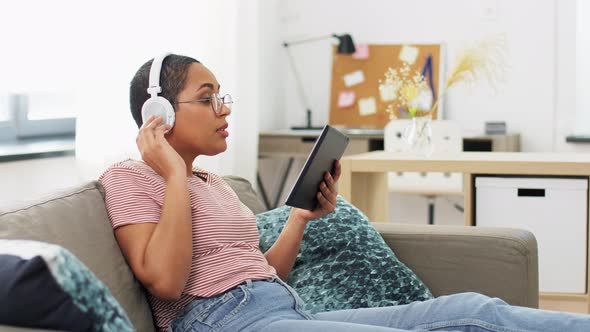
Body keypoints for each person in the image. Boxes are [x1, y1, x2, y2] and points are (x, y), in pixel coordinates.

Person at [99, 53, 590, 332]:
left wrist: (300, 218)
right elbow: (166, 282)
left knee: (476, 312)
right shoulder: (130, 178)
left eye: (222, 96)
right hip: (222, 322)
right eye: (208, 99)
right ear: (157, 114)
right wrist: (173, 175)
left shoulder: (216, 184)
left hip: (283, 307)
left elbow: (262, 272)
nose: (224, 110)